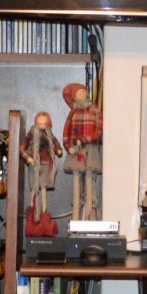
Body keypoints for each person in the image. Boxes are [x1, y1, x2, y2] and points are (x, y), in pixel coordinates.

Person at [61, 81, 103, 223]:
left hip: (91, 148)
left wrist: (87, 139)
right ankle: (75, 217)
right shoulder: (73, 112)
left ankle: (89, 216)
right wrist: (68, 146)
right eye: (79, 93)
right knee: (76, 181)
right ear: (74, 97)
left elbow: (100, 130)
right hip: (76, 149)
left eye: (84, 92)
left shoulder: (94, 110)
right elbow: (66, 131)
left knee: (90, 179)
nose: (82, 94)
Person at [22, 109, 62, 236]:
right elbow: (22, 147)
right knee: (34, 189)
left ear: (48, 124)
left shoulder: (49, 134)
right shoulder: (31, 133)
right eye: (39, 123)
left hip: (45, 163)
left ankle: (44, 213)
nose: (41, 125)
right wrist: (27, 157)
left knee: (43, 188)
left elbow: (56, 143)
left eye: (44, 123)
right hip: (34, 163)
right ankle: (34, 213)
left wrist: (58, 149)